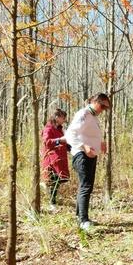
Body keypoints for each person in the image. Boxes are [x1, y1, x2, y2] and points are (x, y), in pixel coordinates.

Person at [65, 93, 110, 231]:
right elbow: (70, 134)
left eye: (106, 108)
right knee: (85, 186)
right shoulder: (83, 114)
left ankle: (81, 216)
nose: (103, 110)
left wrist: (101, 143)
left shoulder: (93, 117)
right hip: (81, 155)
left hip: (91, 155)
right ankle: (83, 221)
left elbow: (92, 133)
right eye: (102, 106)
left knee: (86, 186)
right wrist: (84, 146)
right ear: (95, 101)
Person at [41, 109, 70, 212]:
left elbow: (63, 142)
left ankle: (50, 196)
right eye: (63, 118)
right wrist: (60, 140)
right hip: (51, 159)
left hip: (60, 159)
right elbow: (47, 142)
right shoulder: (48, 128)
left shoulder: (59, 129)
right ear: (57, 117)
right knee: (54, 181)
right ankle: (52, 203)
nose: (64, 120)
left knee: (59, 180)